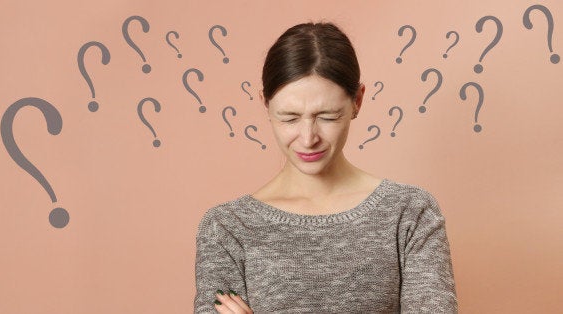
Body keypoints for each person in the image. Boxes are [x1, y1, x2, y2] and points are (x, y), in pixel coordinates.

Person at [194, 21, 458, 313]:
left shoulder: (410, 213)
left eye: (328, 116)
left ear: (357, 101)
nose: (308, 139)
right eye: (289, 118)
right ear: (265, 104)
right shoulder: (228, 228)